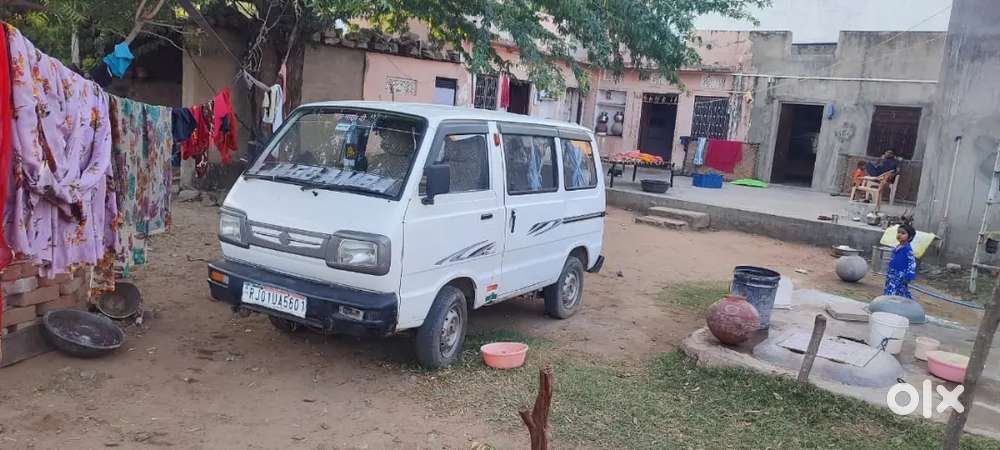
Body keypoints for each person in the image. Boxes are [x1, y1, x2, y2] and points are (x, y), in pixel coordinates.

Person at [884, 223, 917, 299]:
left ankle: (889, 302)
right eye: (898, 232)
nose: (899, 235)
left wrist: (910, 274)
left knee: (894, 289)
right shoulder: (897, 247)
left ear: (910, 237)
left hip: (901, 274)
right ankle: (904, 303)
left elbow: (912, 262)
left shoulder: (907, 249)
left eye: (903, 233)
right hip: (892, 272)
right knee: (896, 289)